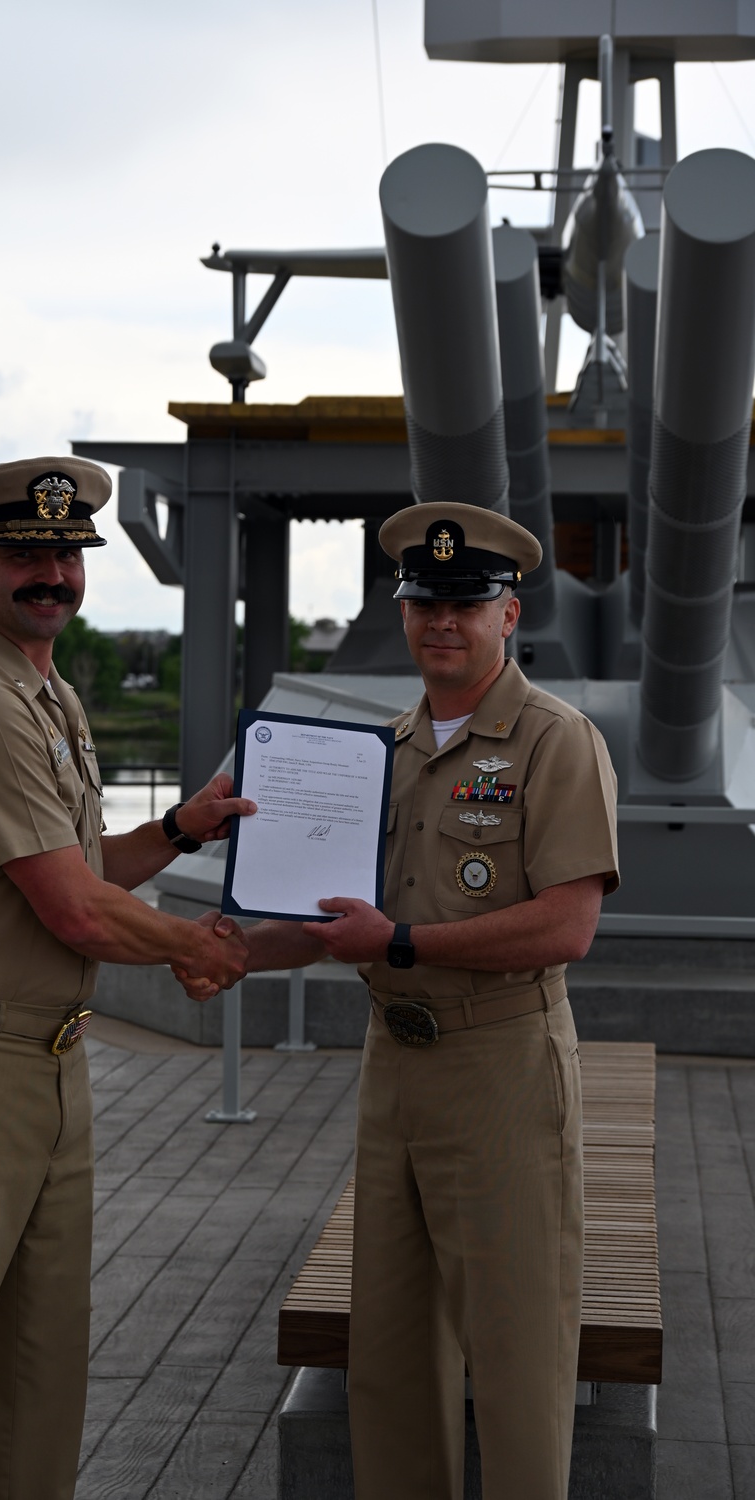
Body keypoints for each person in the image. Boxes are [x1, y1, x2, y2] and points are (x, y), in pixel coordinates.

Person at [177, 501, 619, 1500]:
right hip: (397, 1071)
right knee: (389, 1352)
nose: (441, 625)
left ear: (509, 615)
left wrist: (405, 942)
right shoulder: (380, 752)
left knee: (516, 1356)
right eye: (424, 603)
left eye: (467, 604)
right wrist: (235, 953)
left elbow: (566, 927)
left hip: (502, 1068)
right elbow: (341, 919)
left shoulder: (555, 743)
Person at [0, 456, 251, 1500]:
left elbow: (79, 869)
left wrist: (176, 829)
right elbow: (72, 910)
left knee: (34, 1363)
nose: (51, 576)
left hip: (41, 1061)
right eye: (26, 555)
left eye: (67, 556)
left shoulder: (42, 689)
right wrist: (190, 947)